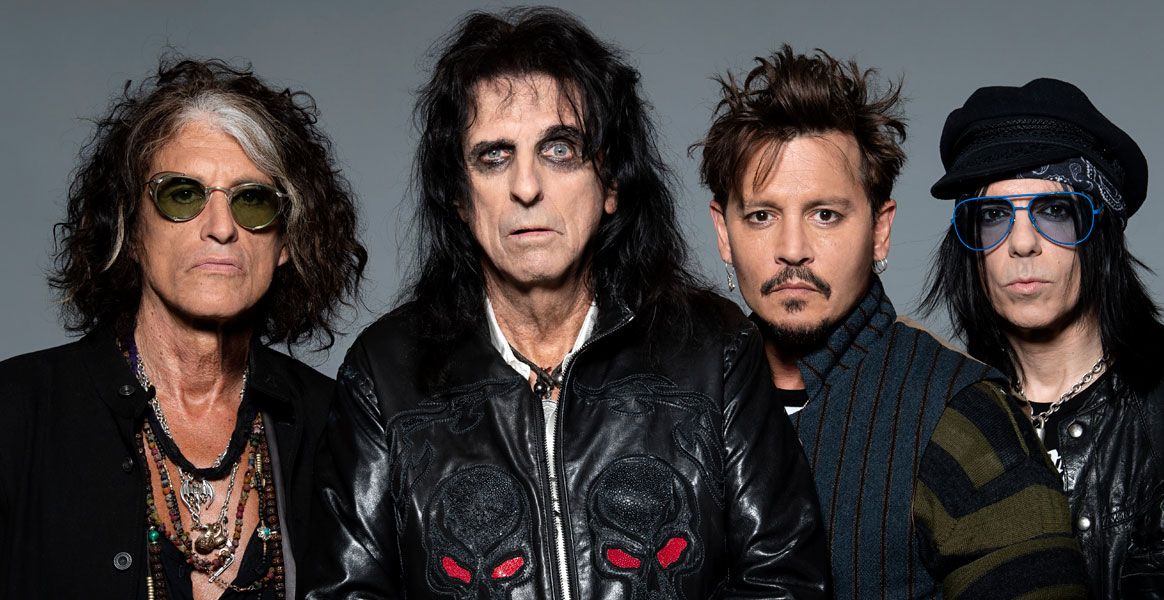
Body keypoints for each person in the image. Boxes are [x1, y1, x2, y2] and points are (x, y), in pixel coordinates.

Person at [303, 8, 828, 599]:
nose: (526, 187)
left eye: (559, 150)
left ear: (611, 183)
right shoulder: (385, 374)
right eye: (494, 156)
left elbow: (784, 581)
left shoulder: (712, 349)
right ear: (458, 196)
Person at [696, 46, 1088, 599]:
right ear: (724, 232)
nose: (792, 248)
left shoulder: (960, 412)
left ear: (880, 230)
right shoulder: (679, 403)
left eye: (825, 214)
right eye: (762, 216)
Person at [0, 58, 366, 599]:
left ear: (286, 242)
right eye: (182, 194)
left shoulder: (340, 429)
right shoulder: (16, 412)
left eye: (253, 200)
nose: (220, 228)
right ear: (130, 228)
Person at [924, 77, 1164, 598]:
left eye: (1054, 211)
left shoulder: (1155, 409)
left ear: (1100, 231)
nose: (1022, 243)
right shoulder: (943, 410)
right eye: (993, 216)